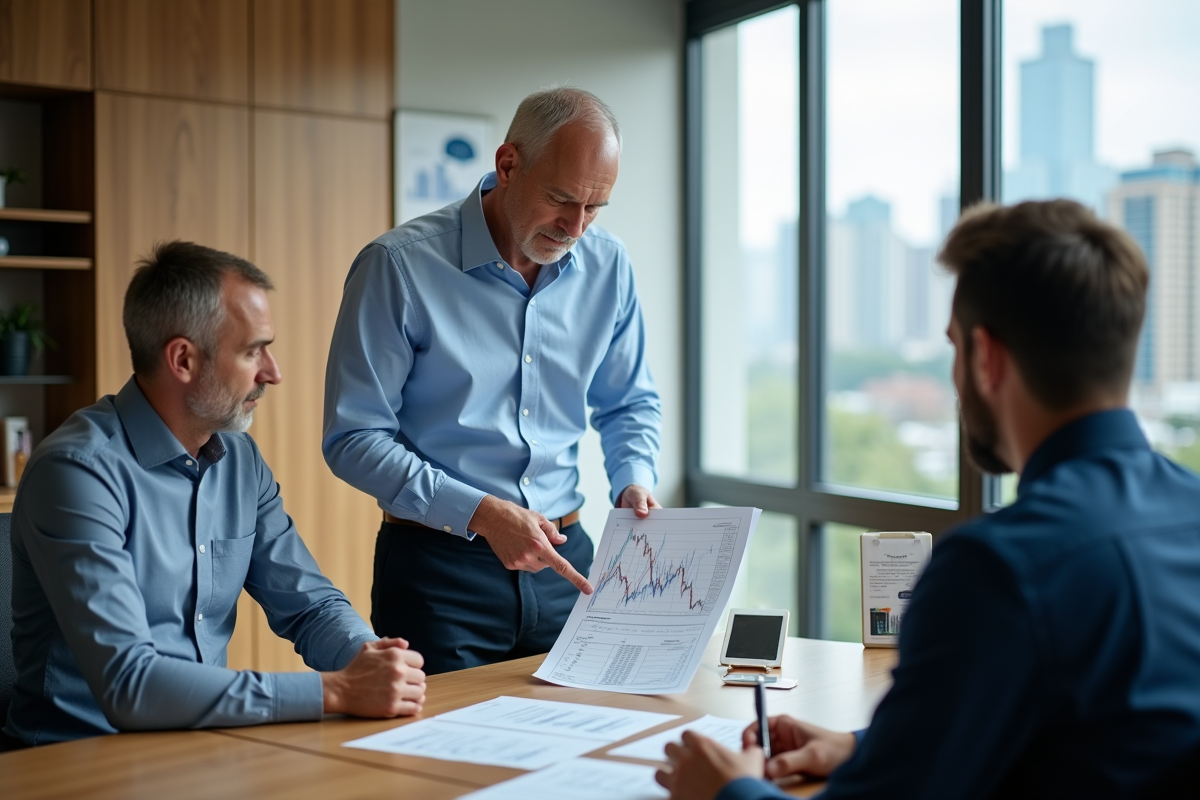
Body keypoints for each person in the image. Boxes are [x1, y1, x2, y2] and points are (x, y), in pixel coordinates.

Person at [656, 200, 1200, 799]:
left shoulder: (998, 569)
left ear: (986, 358)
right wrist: (866, 748)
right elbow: (1098, 737)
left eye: (955, 348)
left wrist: (727, 791)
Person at [2, 241, 426, 749]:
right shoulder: (76, 473)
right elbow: (129, 683)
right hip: (73, 760)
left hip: (199, 750)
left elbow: (309, 606)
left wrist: (369, 658)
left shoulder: (240, 460)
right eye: (252, 351)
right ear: (182, 359)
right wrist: (334, 692)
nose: (273, 372)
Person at [322, 87, 662, 674]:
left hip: (569, 563)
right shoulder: (399, 267)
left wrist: (634, 478)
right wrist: (479, 511)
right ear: (508, 165)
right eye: (561, 199)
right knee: (444, 761)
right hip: (439, 573)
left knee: (579, 751)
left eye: (595, 207)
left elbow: (629, 400)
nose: (576, 226)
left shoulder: (609, 265)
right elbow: (353, 438)